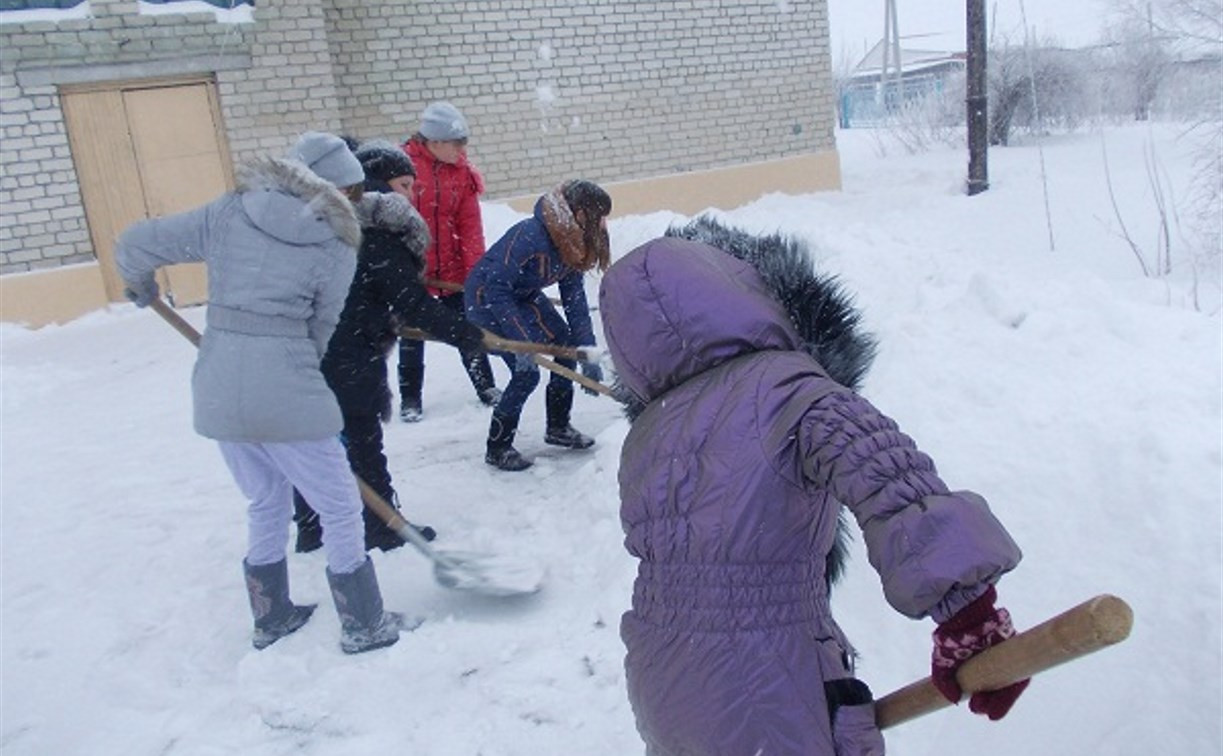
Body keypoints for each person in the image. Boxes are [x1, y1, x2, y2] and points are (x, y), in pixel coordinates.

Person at [598, 216, 1029, 755]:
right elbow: (887, 476)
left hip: (658, 671)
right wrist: (966, 611)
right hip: (764, 671)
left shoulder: (646, 436)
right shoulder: (784, 385)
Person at [115, 132, 412, 655]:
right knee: (341, 507)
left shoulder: (230, 211)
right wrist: (284, 365)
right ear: (339, 189)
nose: (356, 201)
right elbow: (320, 328)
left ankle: (271, 615)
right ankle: (364, 622)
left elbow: (137, 242)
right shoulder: (336, 243)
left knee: (265, 500)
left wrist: (141, 285)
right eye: (353, 191)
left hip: (217, 387)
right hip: (287, 388)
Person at [292, 138, 489, 554]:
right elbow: (412, 302)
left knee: (314, 443)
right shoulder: (377, 234)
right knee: (362, 441)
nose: (411, 193)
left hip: (310, 354)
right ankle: (382, 525)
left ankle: (311, 526)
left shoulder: (332, 229)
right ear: (377, 184)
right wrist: (465, 334)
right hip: (348, 356)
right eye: (403, 184)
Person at [464, 179, 611, 471]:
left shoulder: (573, 243)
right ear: (581, 213)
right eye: (601, 216)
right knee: (526, 373)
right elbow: (496, 288)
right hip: (487, 300)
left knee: (566, 346)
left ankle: (557, 426)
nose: (604, 224)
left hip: (522, 296)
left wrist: (586, 348)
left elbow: (575, 301)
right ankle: (498, 447)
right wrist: (522, 343)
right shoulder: (531, 236)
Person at [397, 101, 498, 421]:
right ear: (435, 141)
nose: (462, 150)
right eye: (457, 143)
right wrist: (401, 271)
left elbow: (470, 230)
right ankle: (410, 399)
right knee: (411, 335)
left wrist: (474, 276)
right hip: (415, 273)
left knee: (466, 330)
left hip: (452, 271)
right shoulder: (403, 170)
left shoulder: (462, 174)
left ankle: (485, 385)